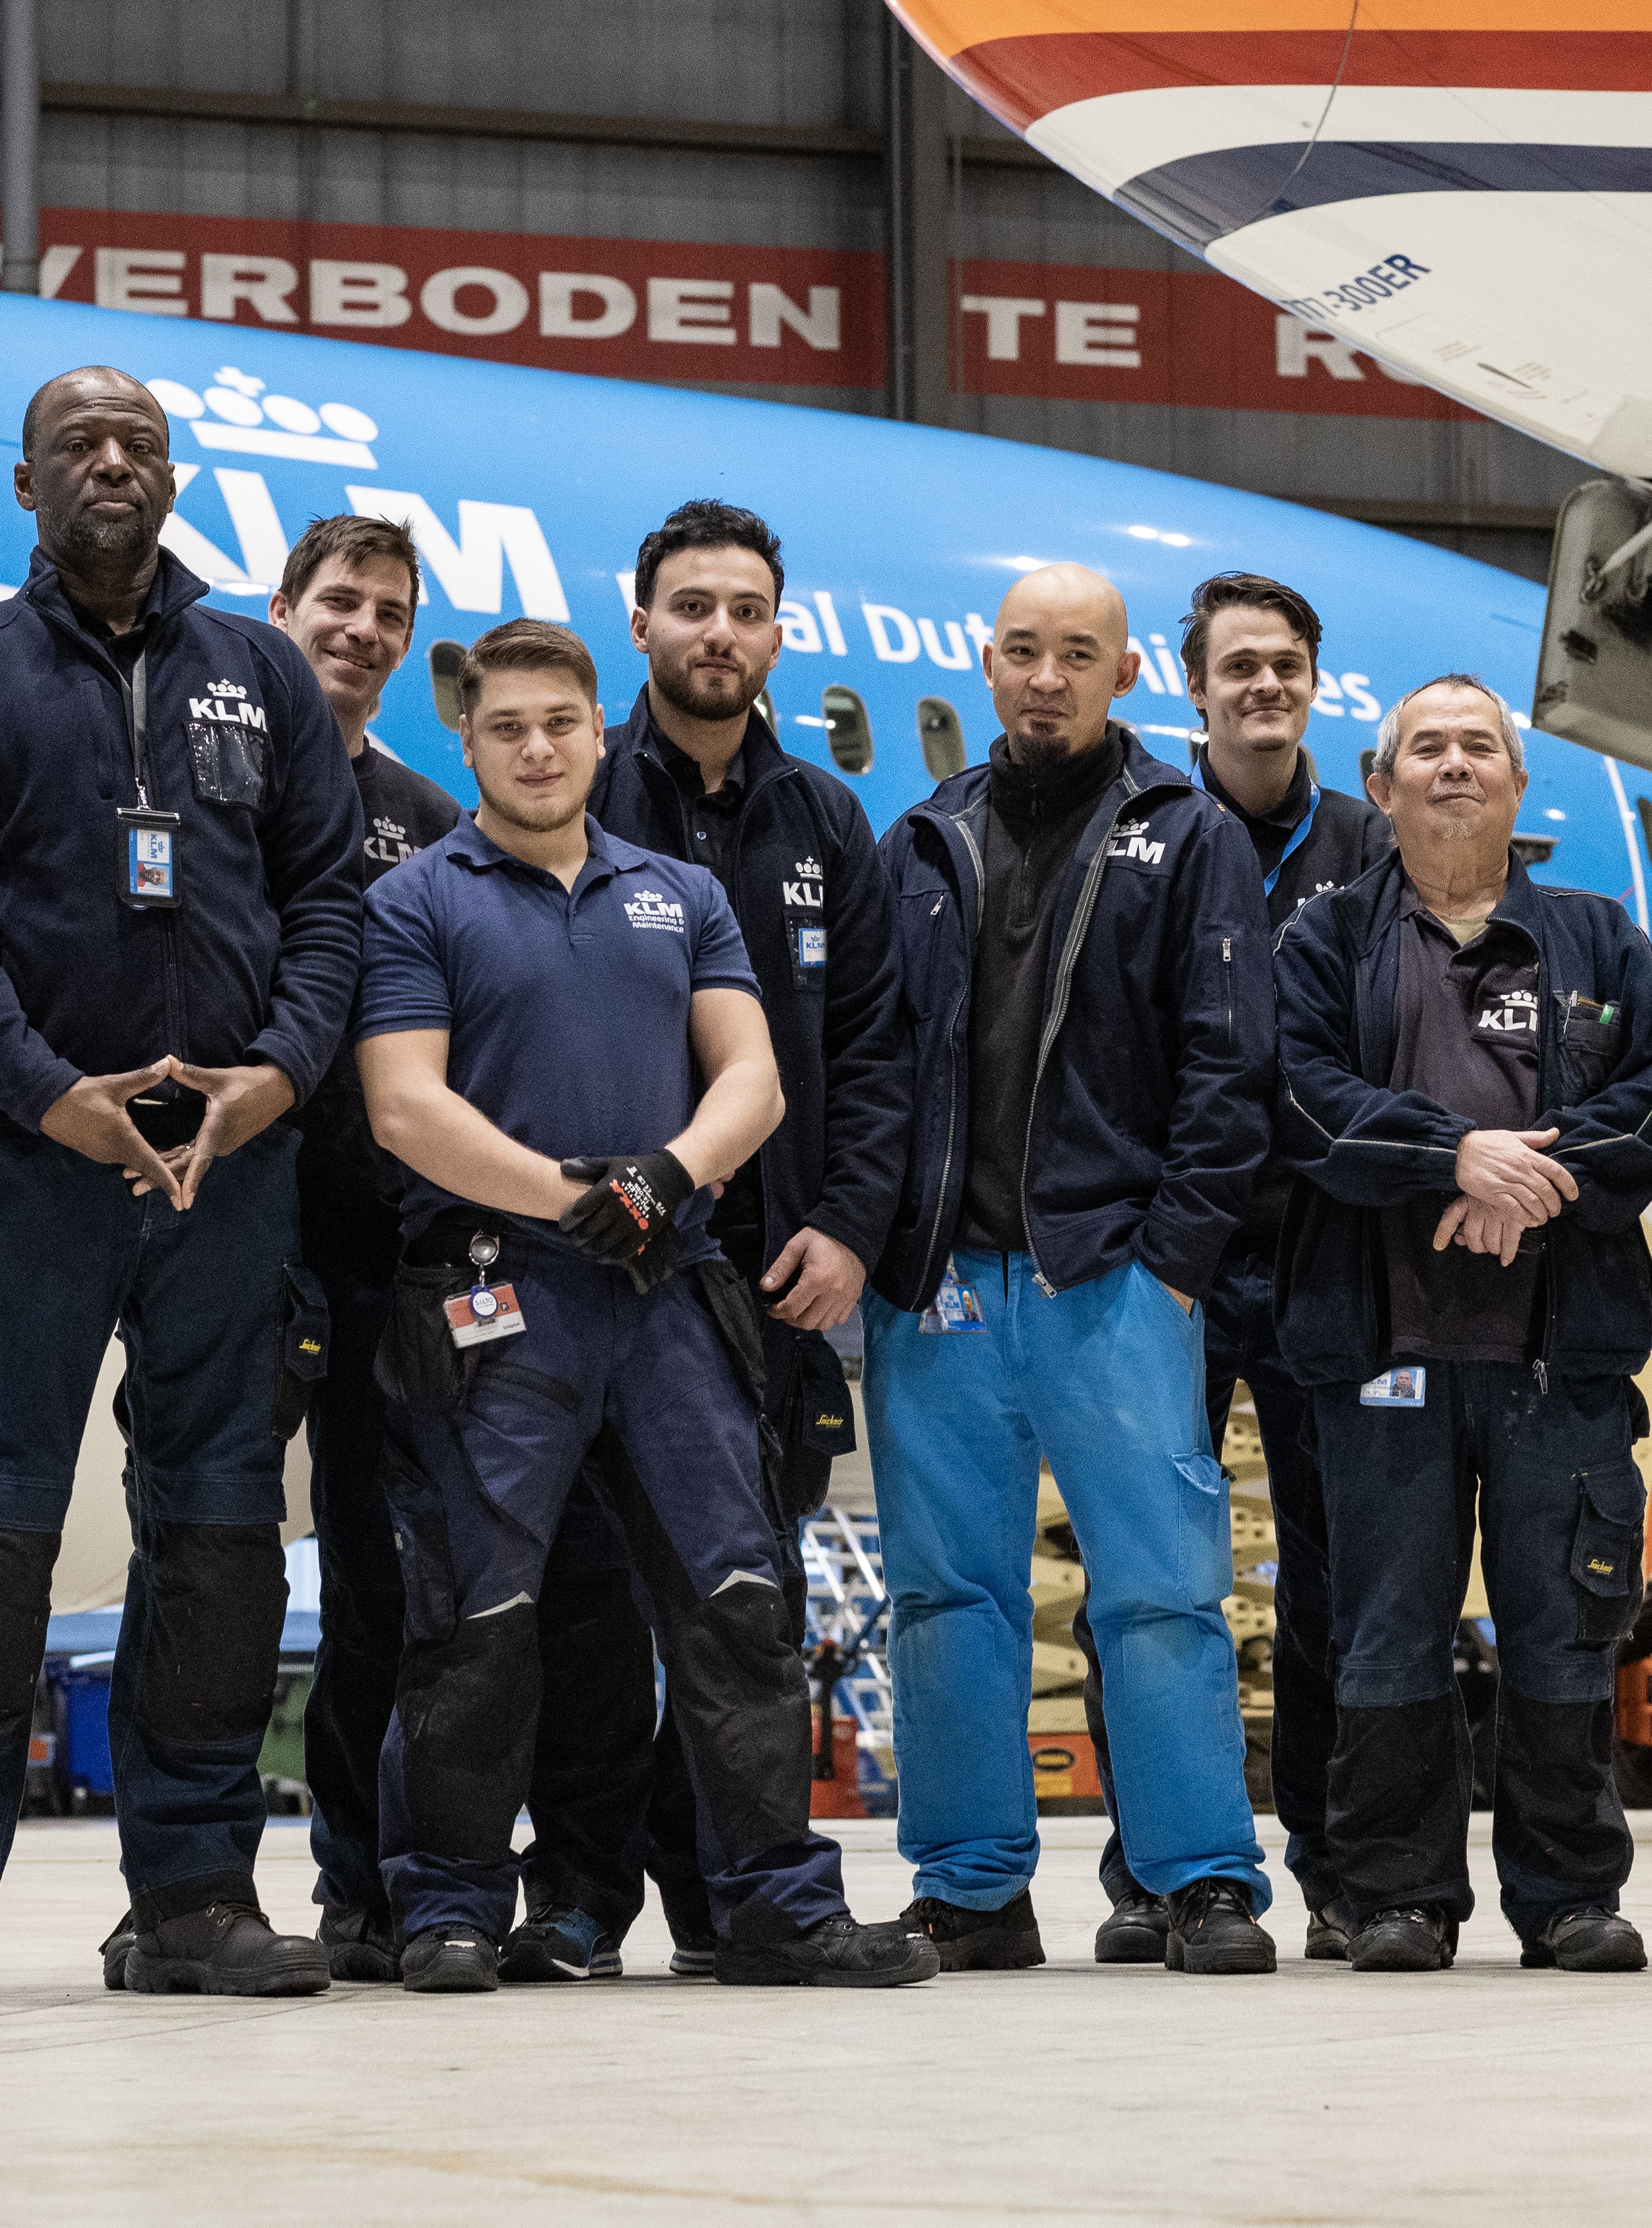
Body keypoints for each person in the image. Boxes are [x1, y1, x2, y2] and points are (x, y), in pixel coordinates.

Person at [0, 367, 363, 2004]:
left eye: (140, 443)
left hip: (231, 1169)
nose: (114, 464)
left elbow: (331, 910)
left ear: (173, 476)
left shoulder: (260, 676)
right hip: (34, 1161)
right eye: (80, 445)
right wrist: (48, 1094)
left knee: (219, 1533)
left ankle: (198, 1893)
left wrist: (274, 1076)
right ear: (25, 486)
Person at [353, 616, 936, 1993]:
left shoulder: (681, 892)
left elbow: (753, 1076)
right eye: (507, 728)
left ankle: (776, 1908)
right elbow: (401, 1103)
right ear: (469, 740)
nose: (537, 748)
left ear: (597, 727)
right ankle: (444, 1906)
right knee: (475, 1617)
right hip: (504, 1304)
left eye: (560, 722)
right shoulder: (418, 899)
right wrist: (576, 1197)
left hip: (671, 1295)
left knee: (740, 1603)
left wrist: (668, 1177)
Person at [506, 499, 906, 1985]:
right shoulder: (568, 796)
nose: (719, 633)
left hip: (774, 1289)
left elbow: (875, 1052)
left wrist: (850, 1227)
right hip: (594, 1280)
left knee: (746, 1608)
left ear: (777, 633)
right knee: (596, 1604)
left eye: (745, 609)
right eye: (692, 607)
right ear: (643, 623)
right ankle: (581, 1892)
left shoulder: (824, 824)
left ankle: (733, 1893)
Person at [866, 562, 1279, 1975]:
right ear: (990, 666)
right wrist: (884, 1252)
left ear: (1119, 678)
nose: (1048, 675)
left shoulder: (1190, 834)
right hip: (941, 1286)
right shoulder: (922, 838)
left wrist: (1173, 1259)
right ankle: (974, 1887)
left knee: (1160, 1591)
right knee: (946, 1599)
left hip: (1114, 1279)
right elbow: (871, 1064)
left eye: (1077, 653)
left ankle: (1201, 1881)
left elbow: (1234, 1066)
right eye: (1024, 651)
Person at [1273, 671, 1652, 1973]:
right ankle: (1399, 1895)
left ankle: (1567, 1898)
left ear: (1517, 782)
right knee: (1387, 1624)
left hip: (1564, 1354)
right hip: (1383, 1348)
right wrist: (1455, 1157)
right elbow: (1305, 1104)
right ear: (1378, 790)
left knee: (1565, 1622)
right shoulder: (1324, 940)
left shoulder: (1602, 939)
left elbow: (1649, 1106)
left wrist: (1530, 1186)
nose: (1452, 765)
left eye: (1477, 746)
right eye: (1423, 748)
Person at [1071, 572, 1394, 1967]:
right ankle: (1156, 1865)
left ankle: (1331, 1855)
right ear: (1189, 688)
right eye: (1237, 668)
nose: (1264, 686)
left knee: (1338, 1572)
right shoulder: (1138, 834)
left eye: (1286, 666)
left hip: (1326, 1256)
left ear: (1314, 684)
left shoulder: (1373, 850)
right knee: (1143, 1572)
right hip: (1169, 1259)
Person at [269, 512, 460, 1982]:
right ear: (287, 606)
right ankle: (183, 1878)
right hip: (217, 1221)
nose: (365, 629)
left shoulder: (421, 814)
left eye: (391, 612)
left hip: (365, 1242)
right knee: (202, 1552)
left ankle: (362, 1879)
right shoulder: (210, 765)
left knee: (376, 1577)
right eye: (342, 601)